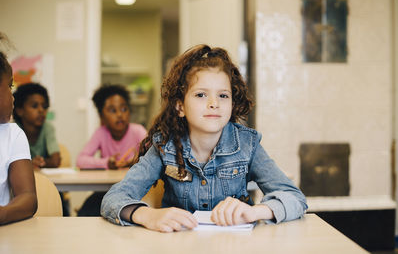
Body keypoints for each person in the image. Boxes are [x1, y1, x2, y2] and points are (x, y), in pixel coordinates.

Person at [101, 44, 308, 232]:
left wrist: (255, 212)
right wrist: (148, 215)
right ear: (180, 106)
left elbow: (295, 198)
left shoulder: (247, 145)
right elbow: (114, 198)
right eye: (201, 95)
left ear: (232, 104)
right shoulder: (165, 146)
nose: (213, 103)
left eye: (223, 95)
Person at [76, 84, 147, 216]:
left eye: (124, 109)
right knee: (85, 212)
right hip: (108, 190)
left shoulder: (138, 132)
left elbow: (154, 158)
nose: (120, 115)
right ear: (102, 117)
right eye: (112, 111)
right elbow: (80, 160)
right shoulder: (101, 133)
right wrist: (107, 163)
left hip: (136, 191)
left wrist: (134, 161)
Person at [13, 83, 69, 216]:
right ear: (20, 110)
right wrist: (30, 165)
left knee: (61, 207)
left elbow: (55, 160)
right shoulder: (13, 130)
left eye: (44, 107)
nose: (41, 110)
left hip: (49, 183)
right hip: (20, 189)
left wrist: (38, 163)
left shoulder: (47, 128)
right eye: (34, 106)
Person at [0, 32, 37, 224]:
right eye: (9, 86)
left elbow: (28, 199)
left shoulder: (13, 134)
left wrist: (3, 213)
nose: (13, 96)